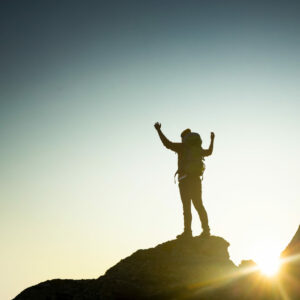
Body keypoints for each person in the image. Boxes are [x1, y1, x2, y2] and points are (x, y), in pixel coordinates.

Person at [154, 122, 215, 239]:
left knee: (186, 207)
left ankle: (188, 232)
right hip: (196, 180)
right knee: (199, 205)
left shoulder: (182, 147)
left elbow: (166, 144)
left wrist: (158, 130)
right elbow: (209, 152)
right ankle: (206, 231)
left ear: (183, 138)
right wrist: (212, 139)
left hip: (184, 181)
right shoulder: (198, 149)